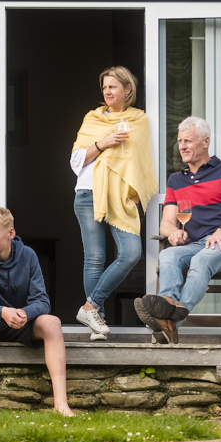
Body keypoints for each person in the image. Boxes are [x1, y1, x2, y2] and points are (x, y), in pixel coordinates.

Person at [135, 116, 221, 344]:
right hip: (200, 244)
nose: (182, 146)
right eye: (180, 141)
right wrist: (173, 231)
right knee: (168, 253)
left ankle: (167, 320)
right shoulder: (176, 180)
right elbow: (167, 222)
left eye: (188, 141)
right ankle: (167, 305)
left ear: (206, 141)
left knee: (201, 260)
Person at [0, 206, 74, 416]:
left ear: (11, 233)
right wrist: (1, 312)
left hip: (20, 323)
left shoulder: (28, 255)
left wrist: (25, 314)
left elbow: (42, 301)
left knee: (52, 322)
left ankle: (61, 404)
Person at [70, 66, 157, 341]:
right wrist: (102, 142)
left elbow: (142, 162)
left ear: (127, 90)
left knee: (131, 252)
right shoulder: (92, 119)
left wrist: (138, 191)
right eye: (105, 87)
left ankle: (90, 305)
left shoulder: (139, 121)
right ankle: (99, 321)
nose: (107, 92)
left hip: (120, 197)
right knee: (94, 259)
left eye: (113, 87)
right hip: (88, 193)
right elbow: (75, 162)